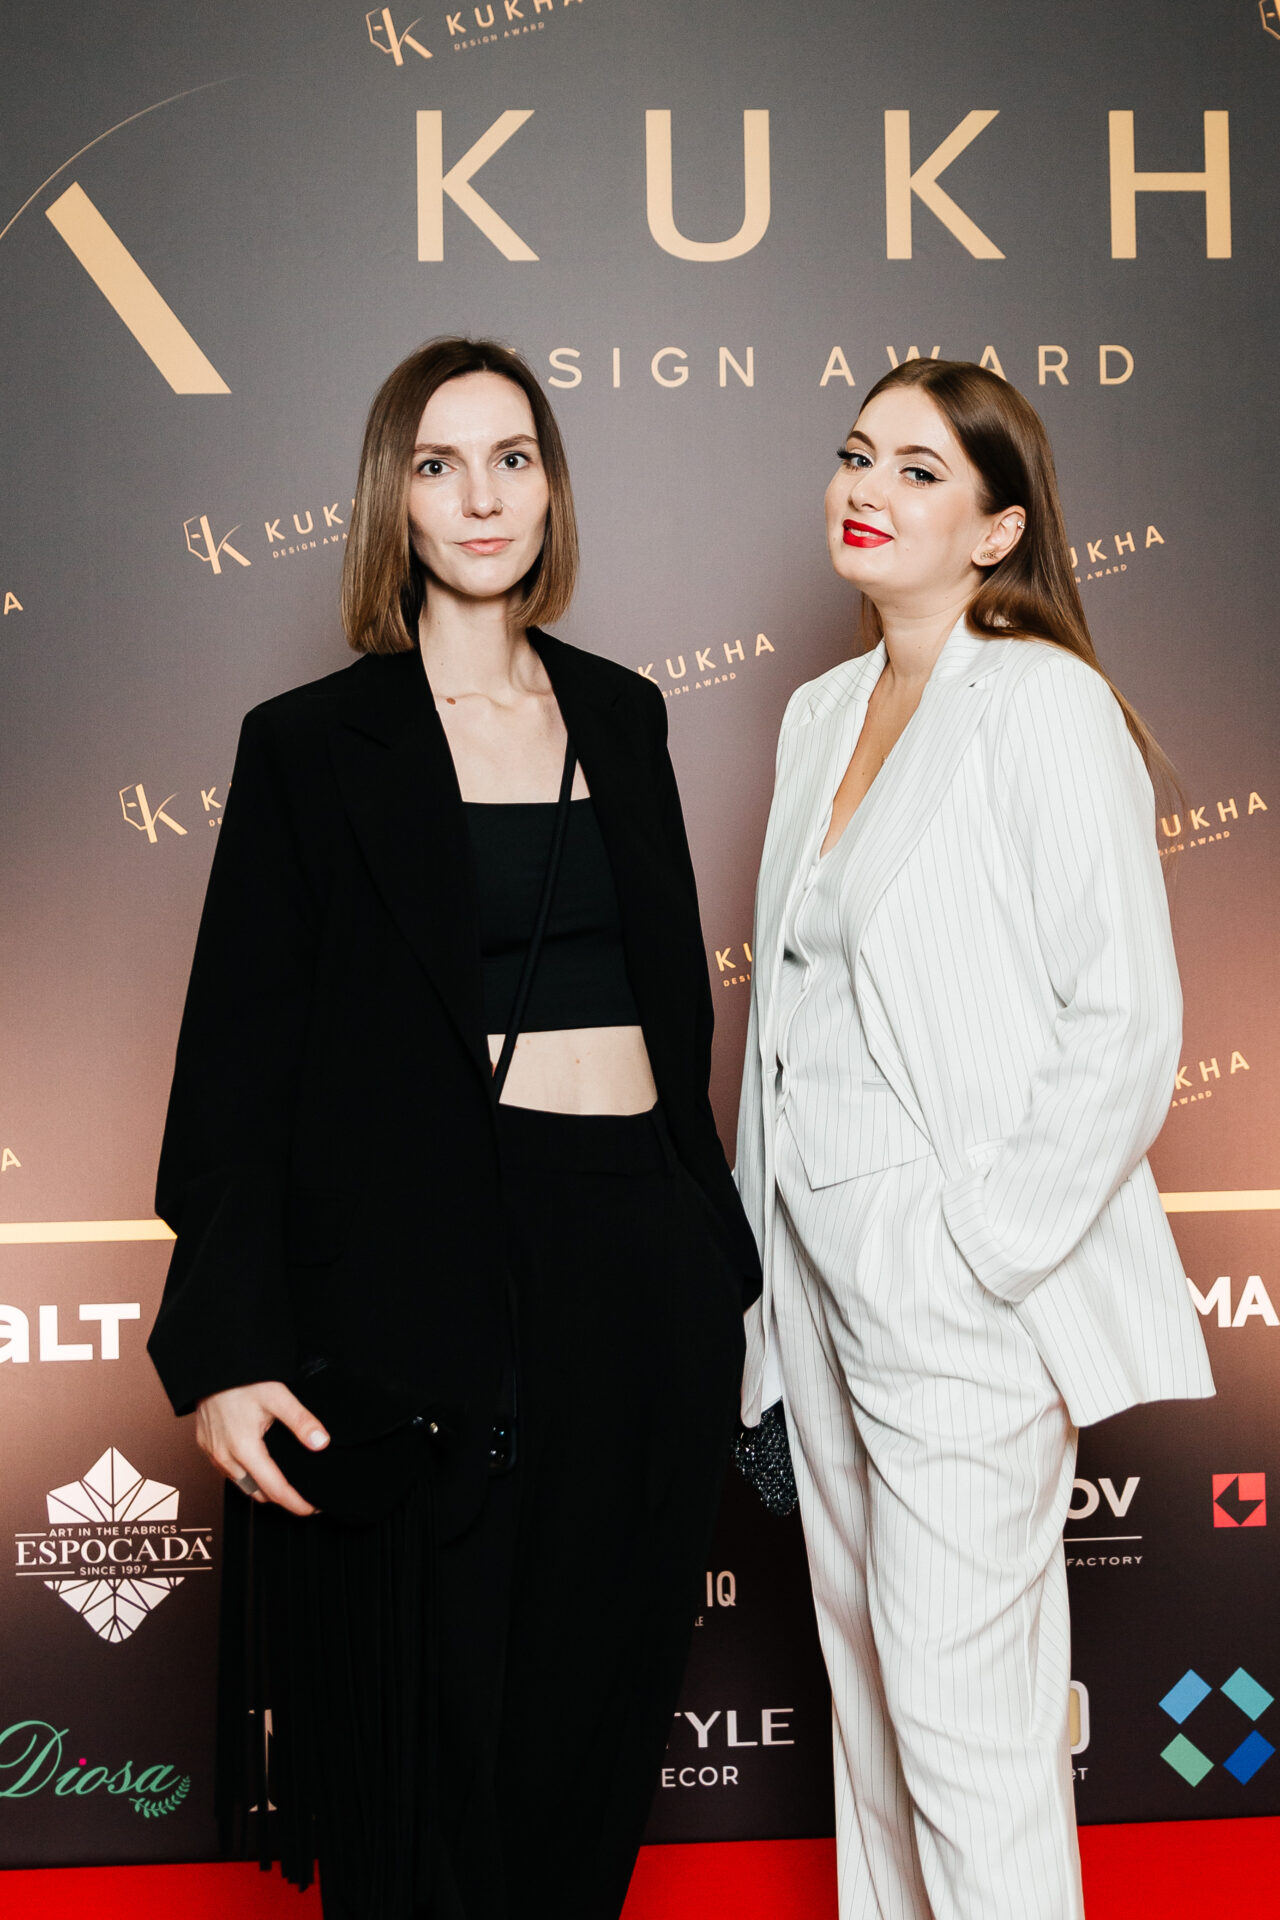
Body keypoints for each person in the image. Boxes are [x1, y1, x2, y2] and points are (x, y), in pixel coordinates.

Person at [147, 336, 759, 1920]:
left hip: (638, 1269)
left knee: (591, 1723)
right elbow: (238, 1062)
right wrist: (224, 1346)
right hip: (421, 1282)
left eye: (513, 458)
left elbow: (671, 1008)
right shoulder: (309, 744)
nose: (481, 496)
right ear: (394, 501)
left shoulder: (624, 715)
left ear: (550, 489)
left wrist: (716, 1263)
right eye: (438, 464)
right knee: (424, 1748)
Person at [734, 358, 1213, 1920]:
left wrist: (977, 1253)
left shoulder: (1043, 700)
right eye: (857, 454)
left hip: (953, 1277)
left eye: (921, 470)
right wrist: (765, 1292)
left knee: (965, 1723)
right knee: (873, 1712)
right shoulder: (819, 712)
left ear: (999, 530)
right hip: (813, 1270)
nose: (867, 489)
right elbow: (792, 1017)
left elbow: (1126, 1019)